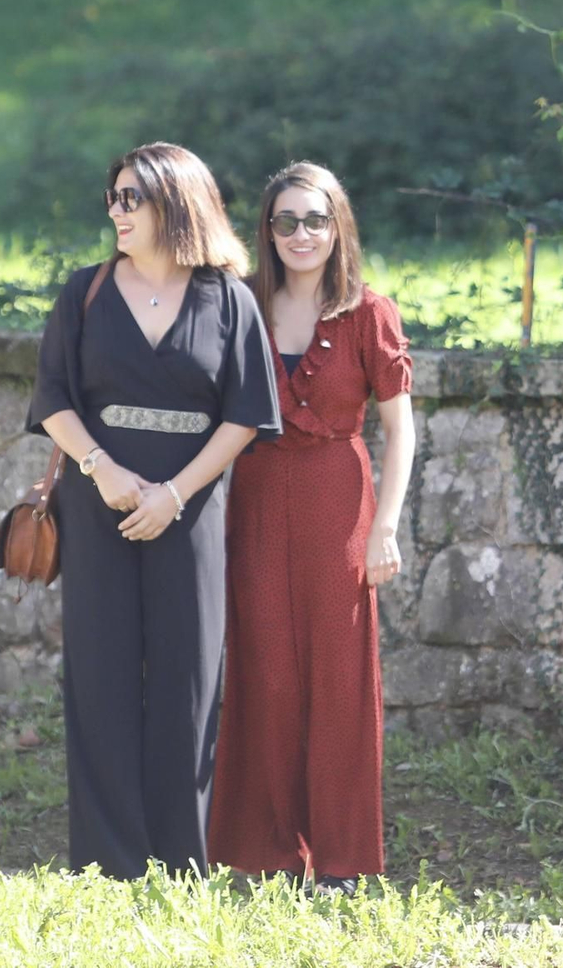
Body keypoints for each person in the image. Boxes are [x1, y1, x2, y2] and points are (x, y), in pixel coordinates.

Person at [27, 142, 281, 877]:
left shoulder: (227, 296)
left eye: (131, 197)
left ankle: (180, 859)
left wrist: (175, 494)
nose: (115, 209)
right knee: (99, 676)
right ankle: (110, 863)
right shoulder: (84, 291)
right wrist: (102, 469)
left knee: (188, 679)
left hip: (190, 509)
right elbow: (52, 399)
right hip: (96, 498)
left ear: (176, 201)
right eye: (112, 196)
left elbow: (246, 413)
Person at [208, 162, 415, 888]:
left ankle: (340, 859)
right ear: (267, 231)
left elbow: (401, 427)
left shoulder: (370, 311)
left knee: (339, 675)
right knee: (265, 669)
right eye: (286, 220)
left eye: (315, 219)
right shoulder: (241, 305)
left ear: (338, 226)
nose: (302, 233)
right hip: (259, 494)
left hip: (338, 497)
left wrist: (385, 526)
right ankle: (267, 851)